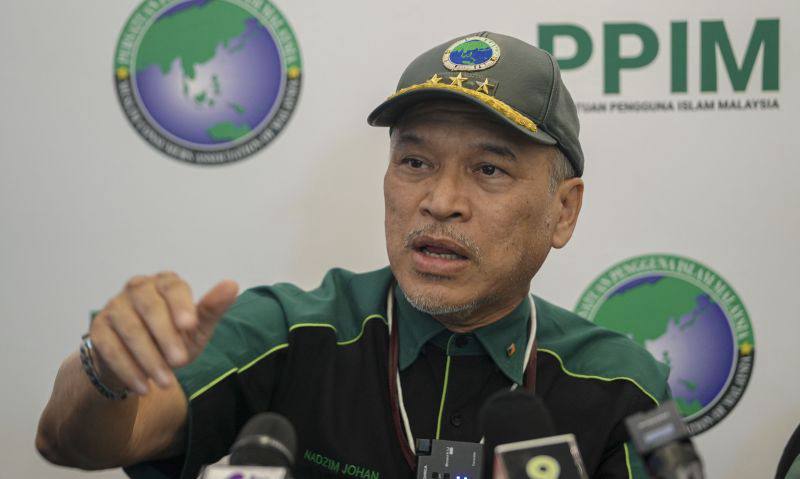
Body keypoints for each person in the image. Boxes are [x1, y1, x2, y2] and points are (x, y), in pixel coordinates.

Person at [36, 32, 669, 478]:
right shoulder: (289, 330)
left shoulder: (619, 384)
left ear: (564, 210)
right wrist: (105, 371)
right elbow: (76, 444)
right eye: (415, 162)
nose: (440, 201)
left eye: (488, 169)